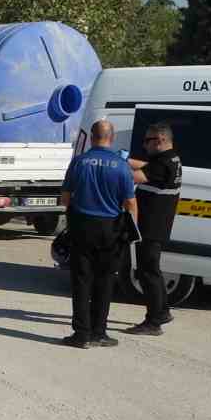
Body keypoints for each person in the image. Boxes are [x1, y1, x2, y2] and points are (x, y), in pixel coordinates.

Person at [59, 120, 138, 349]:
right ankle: (99, 332)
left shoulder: (79, 162)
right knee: (105, 281)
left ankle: (81, 335)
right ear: (111, 138)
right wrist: (131, 232)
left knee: (81, 280)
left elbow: (65, 198)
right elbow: (130, 203)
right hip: (110, 230)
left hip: (82, 226)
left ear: (92, 137)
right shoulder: (121, 166)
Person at [123, 123, 182, 336]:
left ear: (161, 140)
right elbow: (144, 165)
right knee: (151, 270)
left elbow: (134, 176)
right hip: (156, 225)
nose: (144, 144)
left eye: (148, 140)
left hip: (151, 226)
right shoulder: (170, 158)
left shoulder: (163, 164)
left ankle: (154, 321)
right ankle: (162, 312)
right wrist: (125, 160)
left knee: (149, 273)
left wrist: (113, 165)